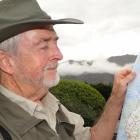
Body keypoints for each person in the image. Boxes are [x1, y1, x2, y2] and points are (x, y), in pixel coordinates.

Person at [0, 0, 136, 140]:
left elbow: (92, 137)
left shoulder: (49, 103)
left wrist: (116, 97)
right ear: (5, 61)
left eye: (55, 43)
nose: (59, 55)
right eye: (43, 46)